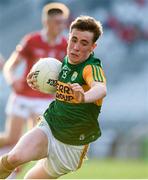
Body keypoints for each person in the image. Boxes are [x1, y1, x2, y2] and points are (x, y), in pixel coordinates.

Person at [0, 15, 107, 179]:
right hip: (49, 126)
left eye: (84, 43)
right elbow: (62, 90)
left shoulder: (91, 68)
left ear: (93, 47)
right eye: (74, 40)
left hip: (72, 146)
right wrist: (39, 83)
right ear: (69, 38)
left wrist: (84, 97)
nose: (76, 47)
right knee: (15, 157)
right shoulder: (64, 62)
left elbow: (100, 88)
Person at [0, 2, 69, 178]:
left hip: (44, 100)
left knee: (33, 144)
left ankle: (13, 174)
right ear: (46, 22)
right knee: (11, 139)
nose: (60, 26)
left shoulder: (65, 45)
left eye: (62, 22)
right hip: (23, 95)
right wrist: (11, 80)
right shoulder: (32, 40)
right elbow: (10, 65)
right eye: (56, 22)